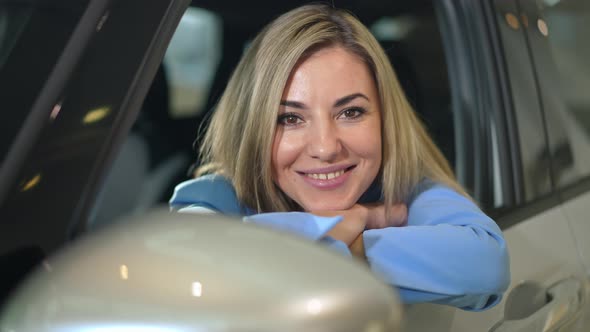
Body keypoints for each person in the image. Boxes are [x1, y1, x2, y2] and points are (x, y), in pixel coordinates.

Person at [170, 4, 509, 311]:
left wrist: (348, 242)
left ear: (384, 120)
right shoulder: (220, 194)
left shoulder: (408, 192)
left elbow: (486, 263)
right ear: (254, 129)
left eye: (350, 112)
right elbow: (189, 264)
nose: (326, 147)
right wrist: (347, 225)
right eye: (290, 118)